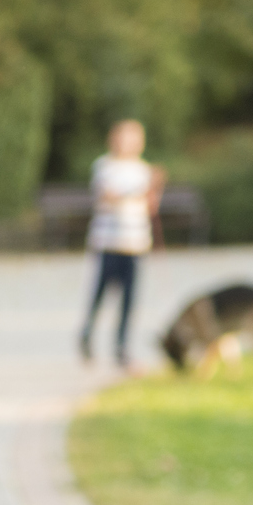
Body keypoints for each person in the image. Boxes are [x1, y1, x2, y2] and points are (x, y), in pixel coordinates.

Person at [77, 119, 165, 369]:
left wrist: (154, 188)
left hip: (135, 241)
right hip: (108, 241)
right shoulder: (104, 166)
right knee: (101, 294)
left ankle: (121, 347)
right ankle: (87, 334)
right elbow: (109, 196)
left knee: (129, 299)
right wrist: (142, 188)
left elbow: (150, 206)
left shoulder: (142, 168)